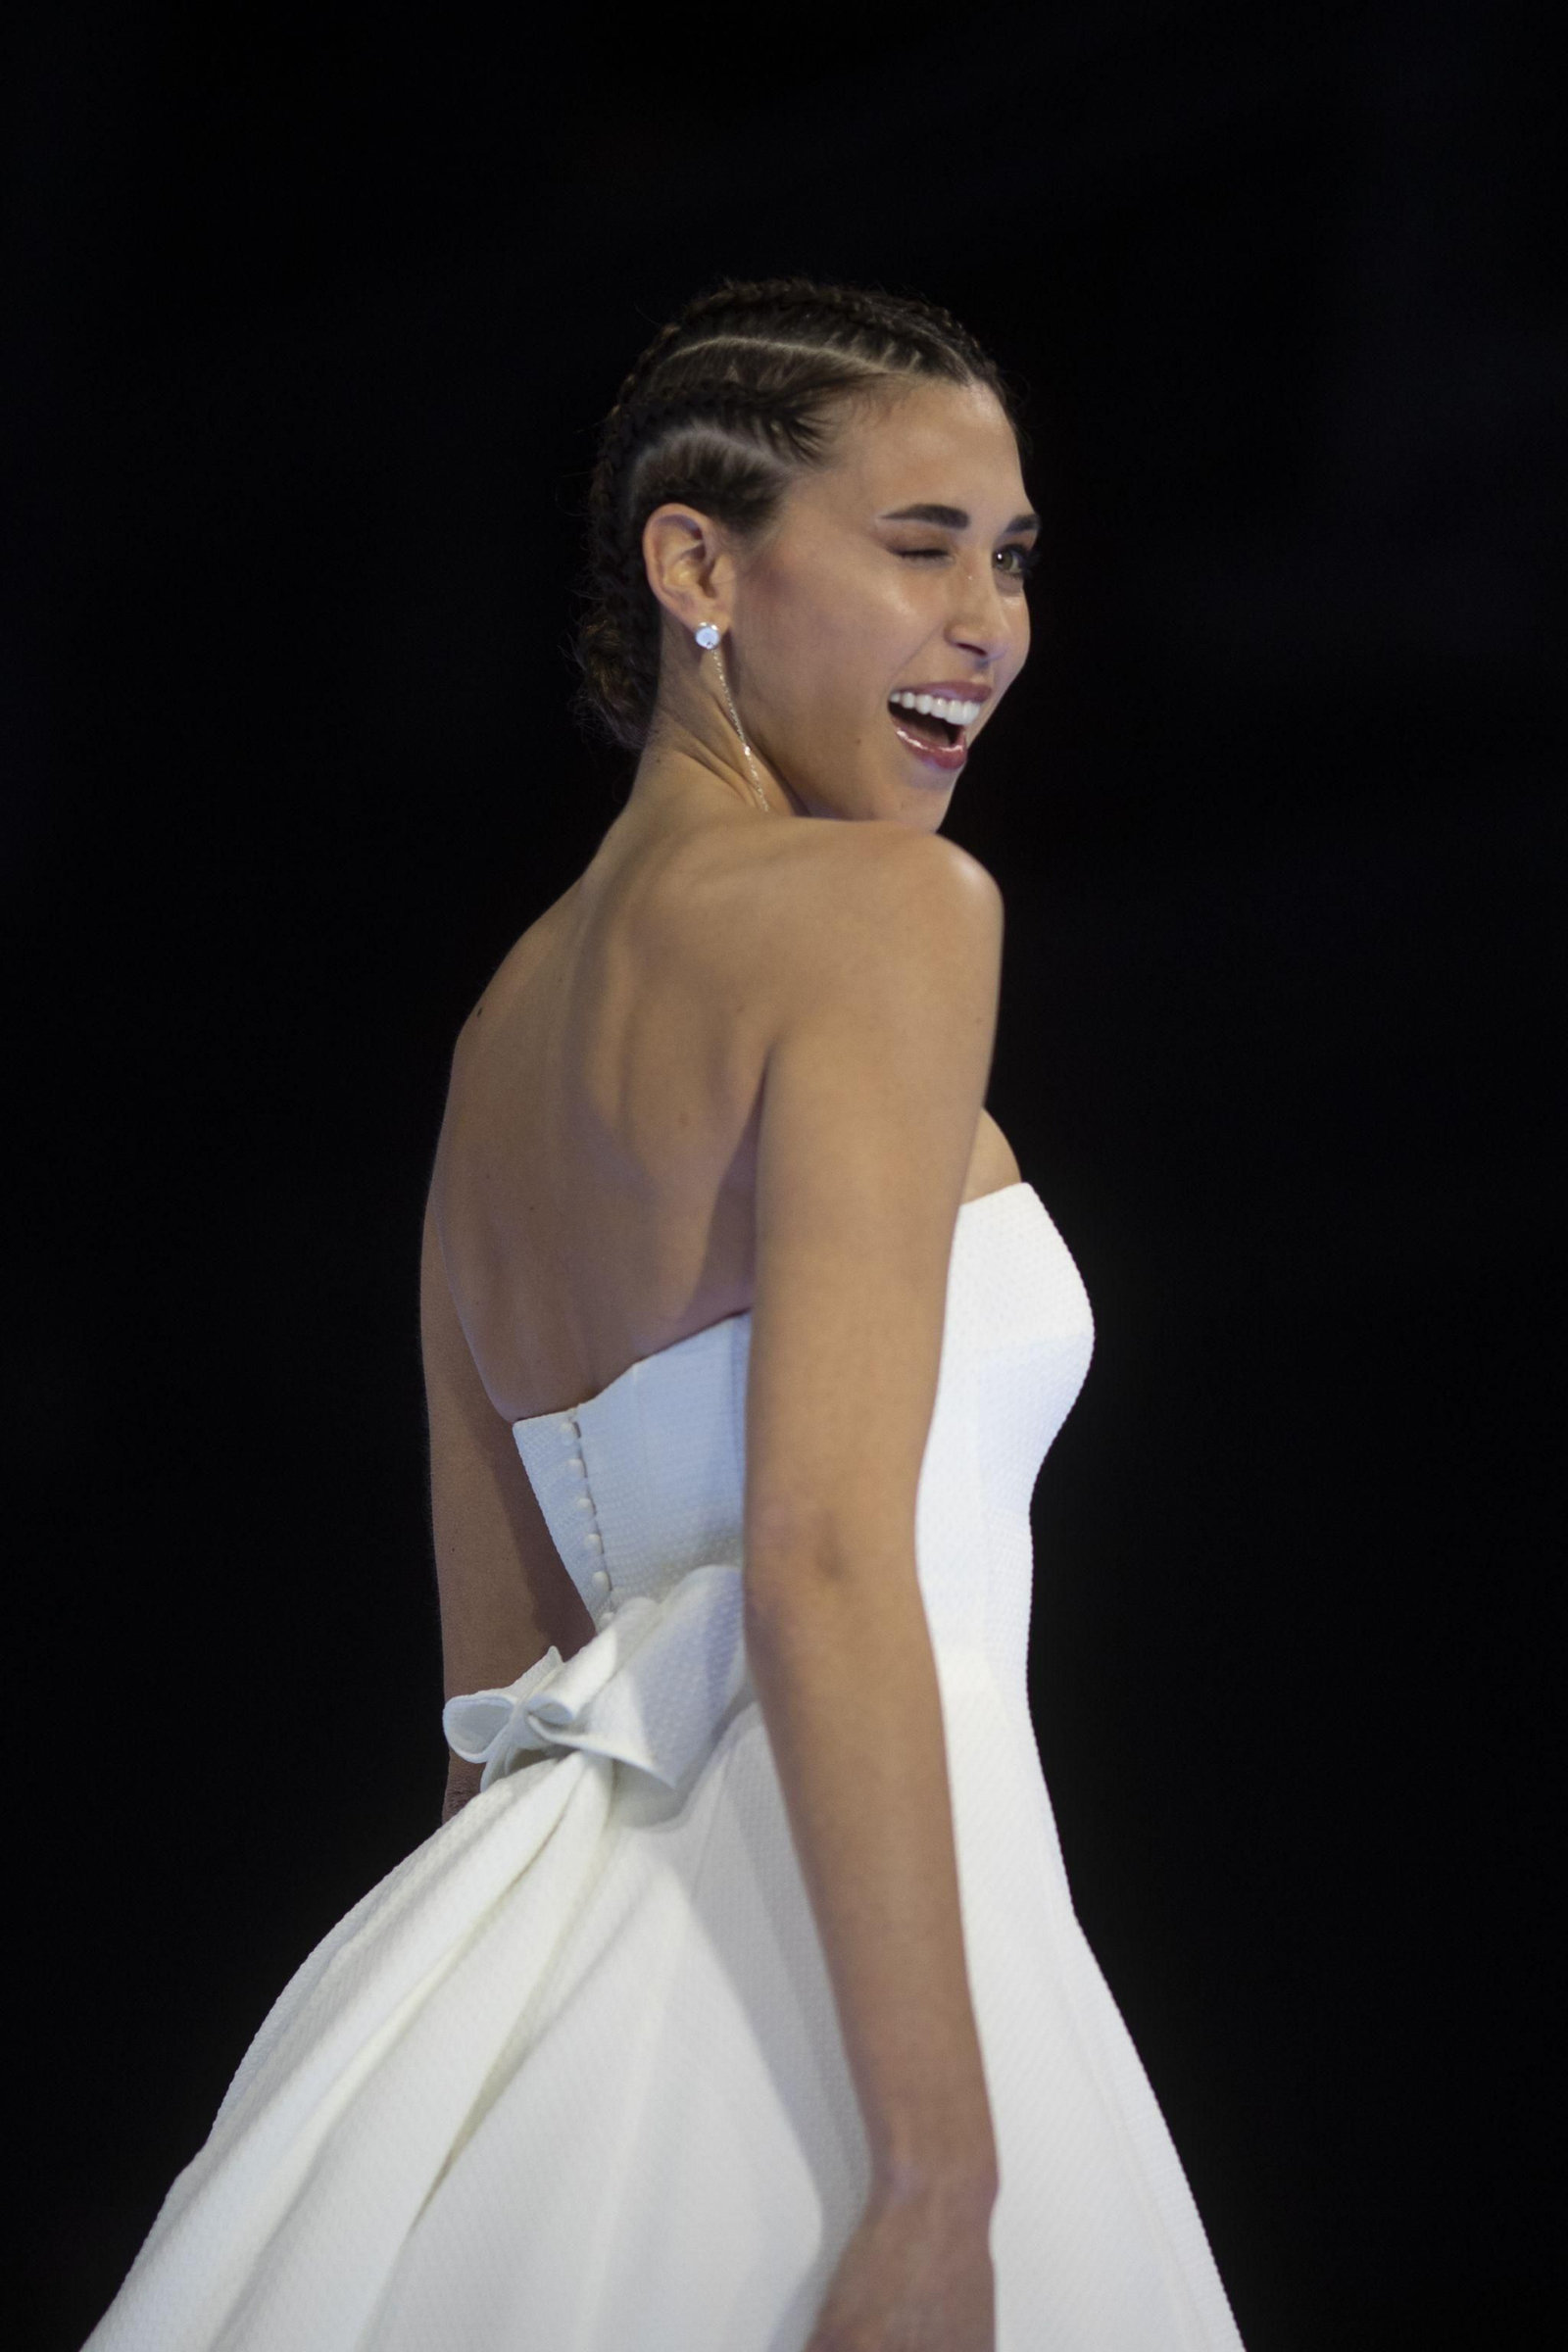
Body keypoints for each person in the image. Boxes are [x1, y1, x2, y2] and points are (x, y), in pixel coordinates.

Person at [83, 277, 1247, 2352]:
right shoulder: (889, 917)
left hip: (501, 1998)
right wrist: (929, 2180)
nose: (988, 621)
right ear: (695, 562)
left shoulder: (498, 1039)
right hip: (838, 2005)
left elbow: (486, 1707)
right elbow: (819, 1554)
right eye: (917, 545)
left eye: (1011, 558)